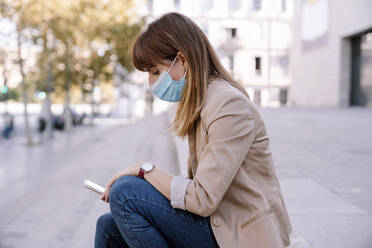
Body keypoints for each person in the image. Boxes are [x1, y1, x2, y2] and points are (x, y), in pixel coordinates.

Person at [95, 12, 292, 248]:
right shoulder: (202, 101)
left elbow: (202, 198)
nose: (151, 83)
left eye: (155, 72)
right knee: (108, 227)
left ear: (183, 60)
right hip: (216, 223)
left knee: (126, 192)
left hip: (240, 236)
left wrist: (144, 170)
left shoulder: (229, 105)